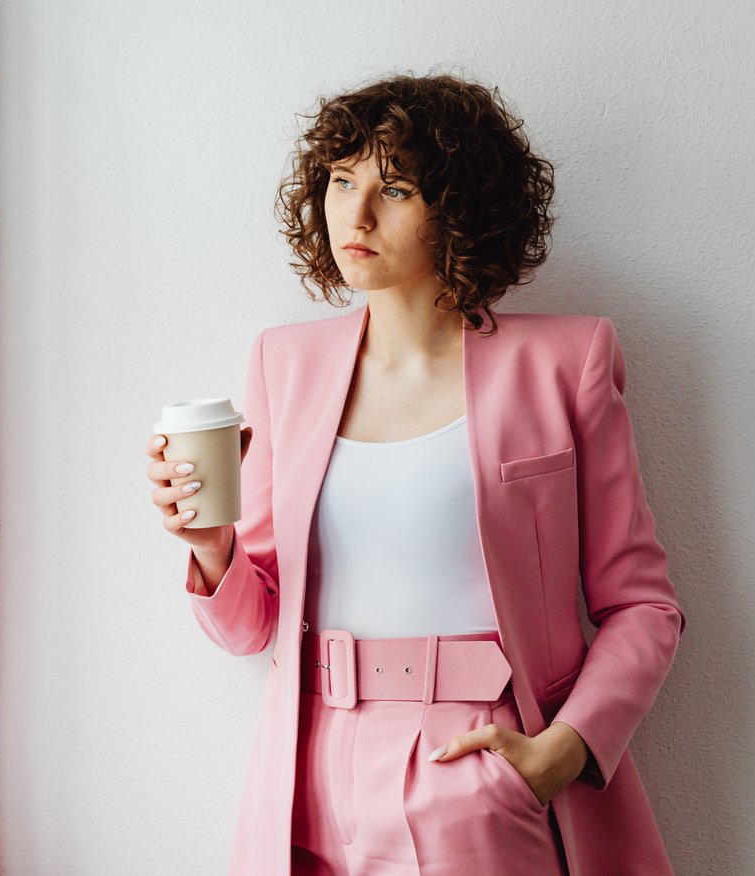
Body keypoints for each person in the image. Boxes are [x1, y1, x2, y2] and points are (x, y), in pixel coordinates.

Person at [144, 72, 686, 876]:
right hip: (307, 774)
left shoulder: (565, 362)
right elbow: (252, 628)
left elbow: (642, 604)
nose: (354, 216)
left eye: (394, 188)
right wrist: (212, 546)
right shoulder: (282, 364)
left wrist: (559, 753)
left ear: (459, 208)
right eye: (340, 182)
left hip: (476, 765)